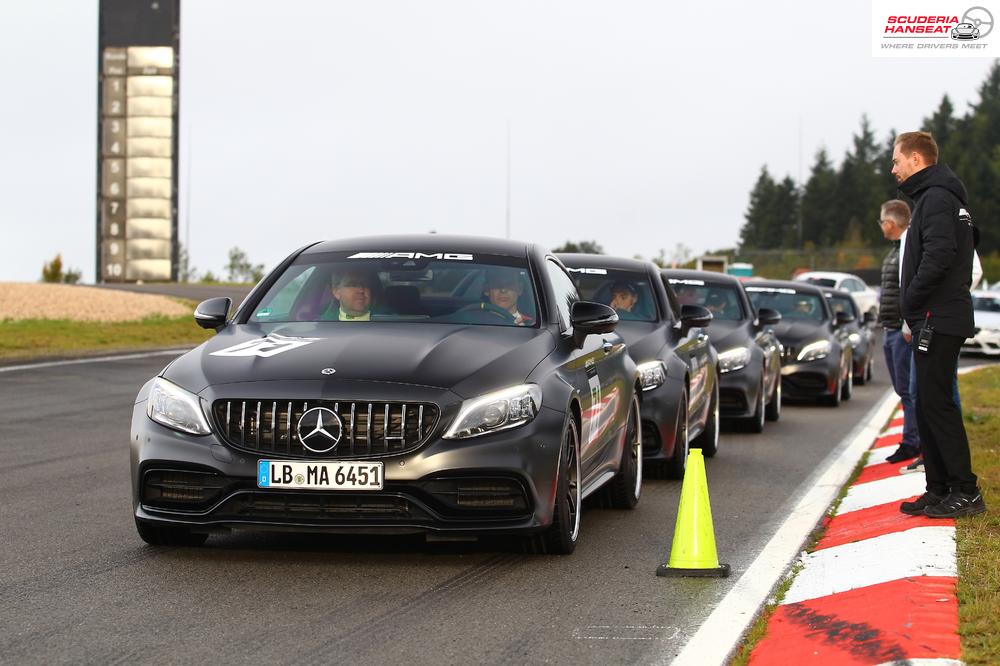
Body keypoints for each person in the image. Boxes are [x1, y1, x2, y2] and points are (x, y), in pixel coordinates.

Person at [893, 130, 986, 518]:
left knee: (938, 404)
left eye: (897, 160)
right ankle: (939, 487)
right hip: (936, 315)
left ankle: (965, 490)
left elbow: (941, 254)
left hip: (938, 316)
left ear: (917, 159)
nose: (892, 168)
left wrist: (910, 299)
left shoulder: (936, 198)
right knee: (930, 404)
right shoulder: (939, 198)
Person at [877, 199, 921, 464]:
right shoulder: (896, 249)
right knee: (903, 388)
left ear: (890, 223)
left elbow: (909, 287)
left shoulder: (907, 247)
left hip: (901, 329)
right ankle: (912, 439)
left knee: (908, 389)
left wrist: (906, 324)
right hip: (891, 326)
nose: (881, 226)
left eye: (882, 221)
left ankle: (912, 441)